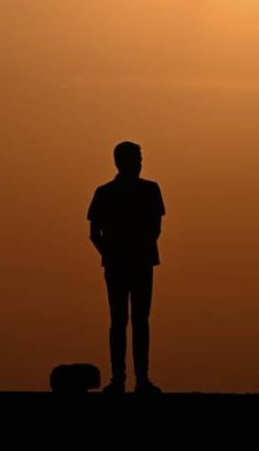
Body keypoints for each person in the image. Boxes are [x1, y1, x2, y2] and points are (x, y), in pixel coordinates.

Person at [87, 142, 165, 395]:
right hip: (127, 262)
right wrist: (112, 253)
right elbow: (94, 233)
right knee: (122, 320)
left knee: (136, 320)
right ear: (122, 162)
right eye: (136, 159)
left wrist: (114, 252)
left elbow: (155, 229)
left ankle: (139, 379)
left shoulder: (149, 190)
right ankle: (121, 379)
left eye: (140, 159)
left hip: (134, 262)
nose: (140, 164)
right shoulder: (105, 193)